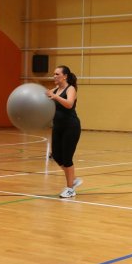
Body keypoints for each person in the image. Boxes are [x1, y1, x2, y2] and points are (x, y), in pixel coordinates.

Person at [46, 65, 83, 198]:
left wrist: (55, 97)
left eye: (57, 74)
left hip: (71, 127)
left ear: (65, 76)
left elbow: (69, 104)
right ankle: (72, 179)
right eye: (54, 74)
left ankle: (70, 189)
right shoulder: (55, 89)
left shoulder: (70, 88)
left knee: (67, 158)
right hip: (58, 127)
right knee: (56, 155)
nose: (54, 76)